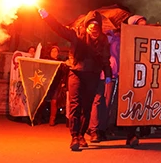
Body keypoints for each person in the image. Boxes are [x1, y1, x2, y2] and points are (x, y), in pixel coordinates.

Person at [38, 8, 112, 151]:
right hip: (76, 73)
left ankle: (81, 135)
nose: (94, 27)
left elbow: (105, 59)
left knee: (87, 107)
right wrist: (47, 17)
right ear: (87, 24)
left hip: (93, 75)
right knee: (74, 105)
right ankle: (74, 137)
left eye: (97, 24)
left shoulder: (103, 40)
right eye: (91, 23)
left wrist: (108, 75)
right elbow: (59, 29)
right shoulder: (77, 34)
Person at [123, 15, 147, 147]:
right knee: (130, 105)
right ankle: (130, 135)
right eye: (140, 25)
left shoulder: (148, 38)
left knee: (142, 105)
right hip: (130, 75)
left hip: (144, 76)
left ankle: (140, 130)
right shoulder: (127, 39)